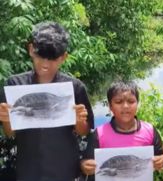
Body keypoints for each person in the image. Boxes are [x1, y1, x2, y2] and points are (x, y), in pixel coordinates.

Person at [0, 21, 94, 181]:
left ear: (63, 57)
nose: (45, 63)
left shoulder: (75, 87)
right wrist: (7, 119)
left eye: (52, 58)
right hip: (29, 169)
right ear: (31, 49)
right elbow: (10, 133)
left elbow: (84, 131)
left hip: (66, 170)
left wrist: (79, 121)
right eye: (41, 56)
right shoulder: (14, 85)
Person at [80, 80, 163, 180]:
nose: (125, 106)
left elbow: (161, 156)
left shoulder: (150, 131)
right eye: (118, 102)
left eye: (131, 101)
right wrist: (84, 165)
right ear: (110, 106)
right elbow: (85, 161)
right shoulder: (99, 134)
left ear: (137, 103)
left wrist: (161, 160)